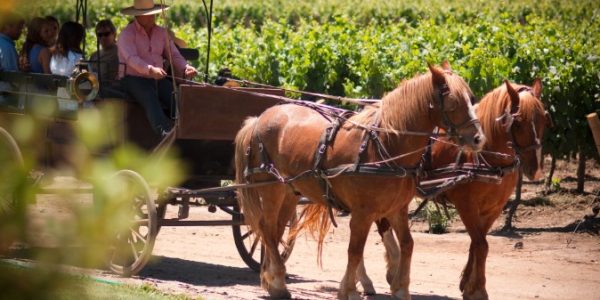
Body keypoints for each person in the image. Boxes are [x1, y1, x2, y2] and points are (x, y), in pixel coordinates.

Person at [118, 0, 197, 136]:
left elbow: (173, 54)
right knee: (149, 96)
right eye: (147, 14)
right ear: (137, 16)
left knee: (174, 96)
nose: (151, 17)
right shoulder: (127, 35)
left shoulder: (161, 33)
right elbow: (131, 59)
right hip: (132, 78)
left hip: (158, 78)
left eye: (153, 14)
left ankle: (188, 130)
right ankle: (165, 132)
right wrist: (150, 69)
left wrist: (186, 67)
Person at [90, 19, 119, 84]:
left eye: (106, 34)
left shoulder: (120, 52)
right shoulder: (94, 55)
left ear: (114, 34)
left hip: (112, 89)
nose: (103, 37)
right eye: (100, 35)